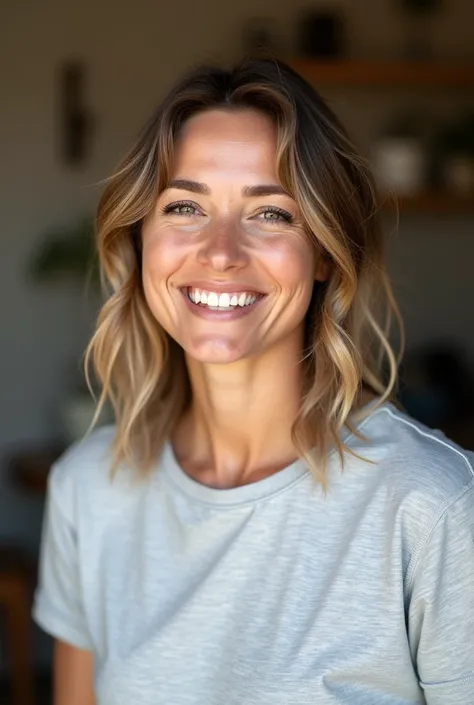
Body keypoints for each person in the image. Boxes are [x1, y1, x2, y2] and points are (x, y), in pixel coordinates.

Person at [33, 58, 474, 705]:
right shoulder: (87, 491)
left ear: (324, 251)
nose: (219, 249)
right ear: (141, 238)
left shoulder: (434, 507)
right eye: (185, 205)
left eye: (270, 213)